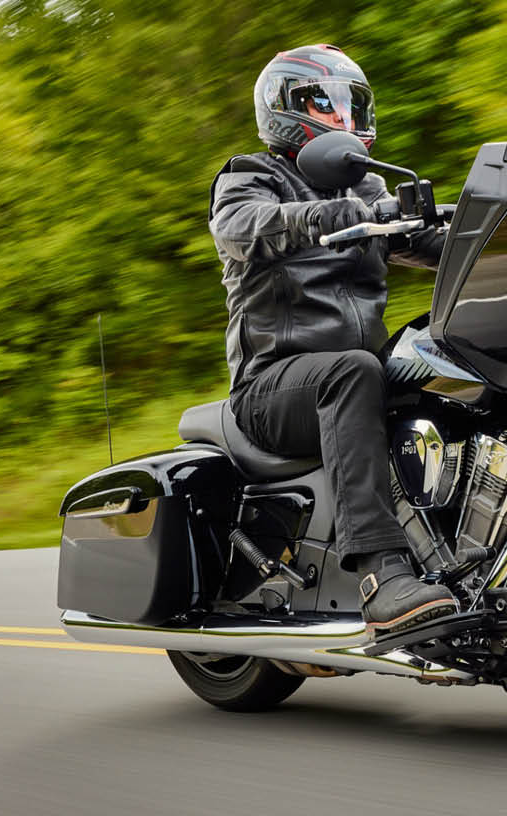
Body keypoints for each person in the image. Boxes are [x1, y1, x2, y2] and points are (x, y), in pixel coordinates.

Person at [206, 43, 457, 638]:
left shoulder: (365, 188)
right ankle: (380, 575)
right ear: (288, 107)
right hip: (272, 386)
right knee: (353, 370)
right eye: (325, 101)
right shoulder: (248, 179)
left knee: (446, 345)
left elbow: (431, 244)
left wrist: (501, 229)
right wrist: (322, 216)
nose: (342, 114)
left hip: (351, 370)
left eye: (350, 102)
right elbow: (245, 229)